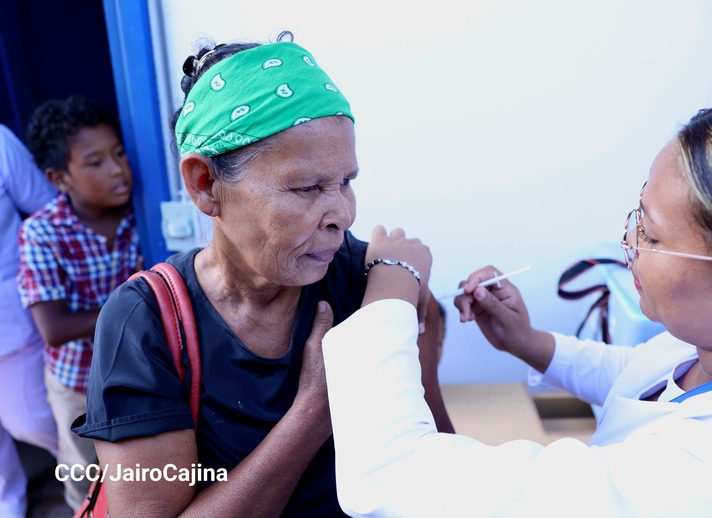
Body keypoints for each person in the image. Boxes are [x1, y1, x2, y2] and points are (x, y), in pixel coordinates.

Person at [322, 85, 712, 516]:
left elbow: (391, 480)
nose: (627, 242)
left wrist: (393, 283)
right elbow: (644, 376)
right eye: (637, 214)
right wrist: (529, 343)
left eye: (650, 234)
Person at [72, 33, 453, 517]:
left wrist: (403, 296)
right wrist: (314, 410)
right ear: (205, 184)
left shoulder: (369, 281)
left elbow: (437, 464)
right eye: (306, 187)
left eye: (346, 181)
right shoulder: (145, 326)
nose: (343, 214)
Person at [17, 95, 141, 512]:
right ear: (60, 178)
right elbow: (54, 328)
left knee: (140, 468)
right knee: (85, 471)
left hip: (135, 368)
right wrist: (135, 298)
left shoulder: (140, 211)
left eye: (118, 153)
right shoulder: (43, 232)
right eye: (95, 162)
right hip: (77, 382)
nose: (117, 169)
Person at [0, 124, 59, 518]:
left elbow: (48, 209)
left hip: (10, 319)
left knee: (34, 421)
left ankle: (98, 476)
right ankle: (9, 502)